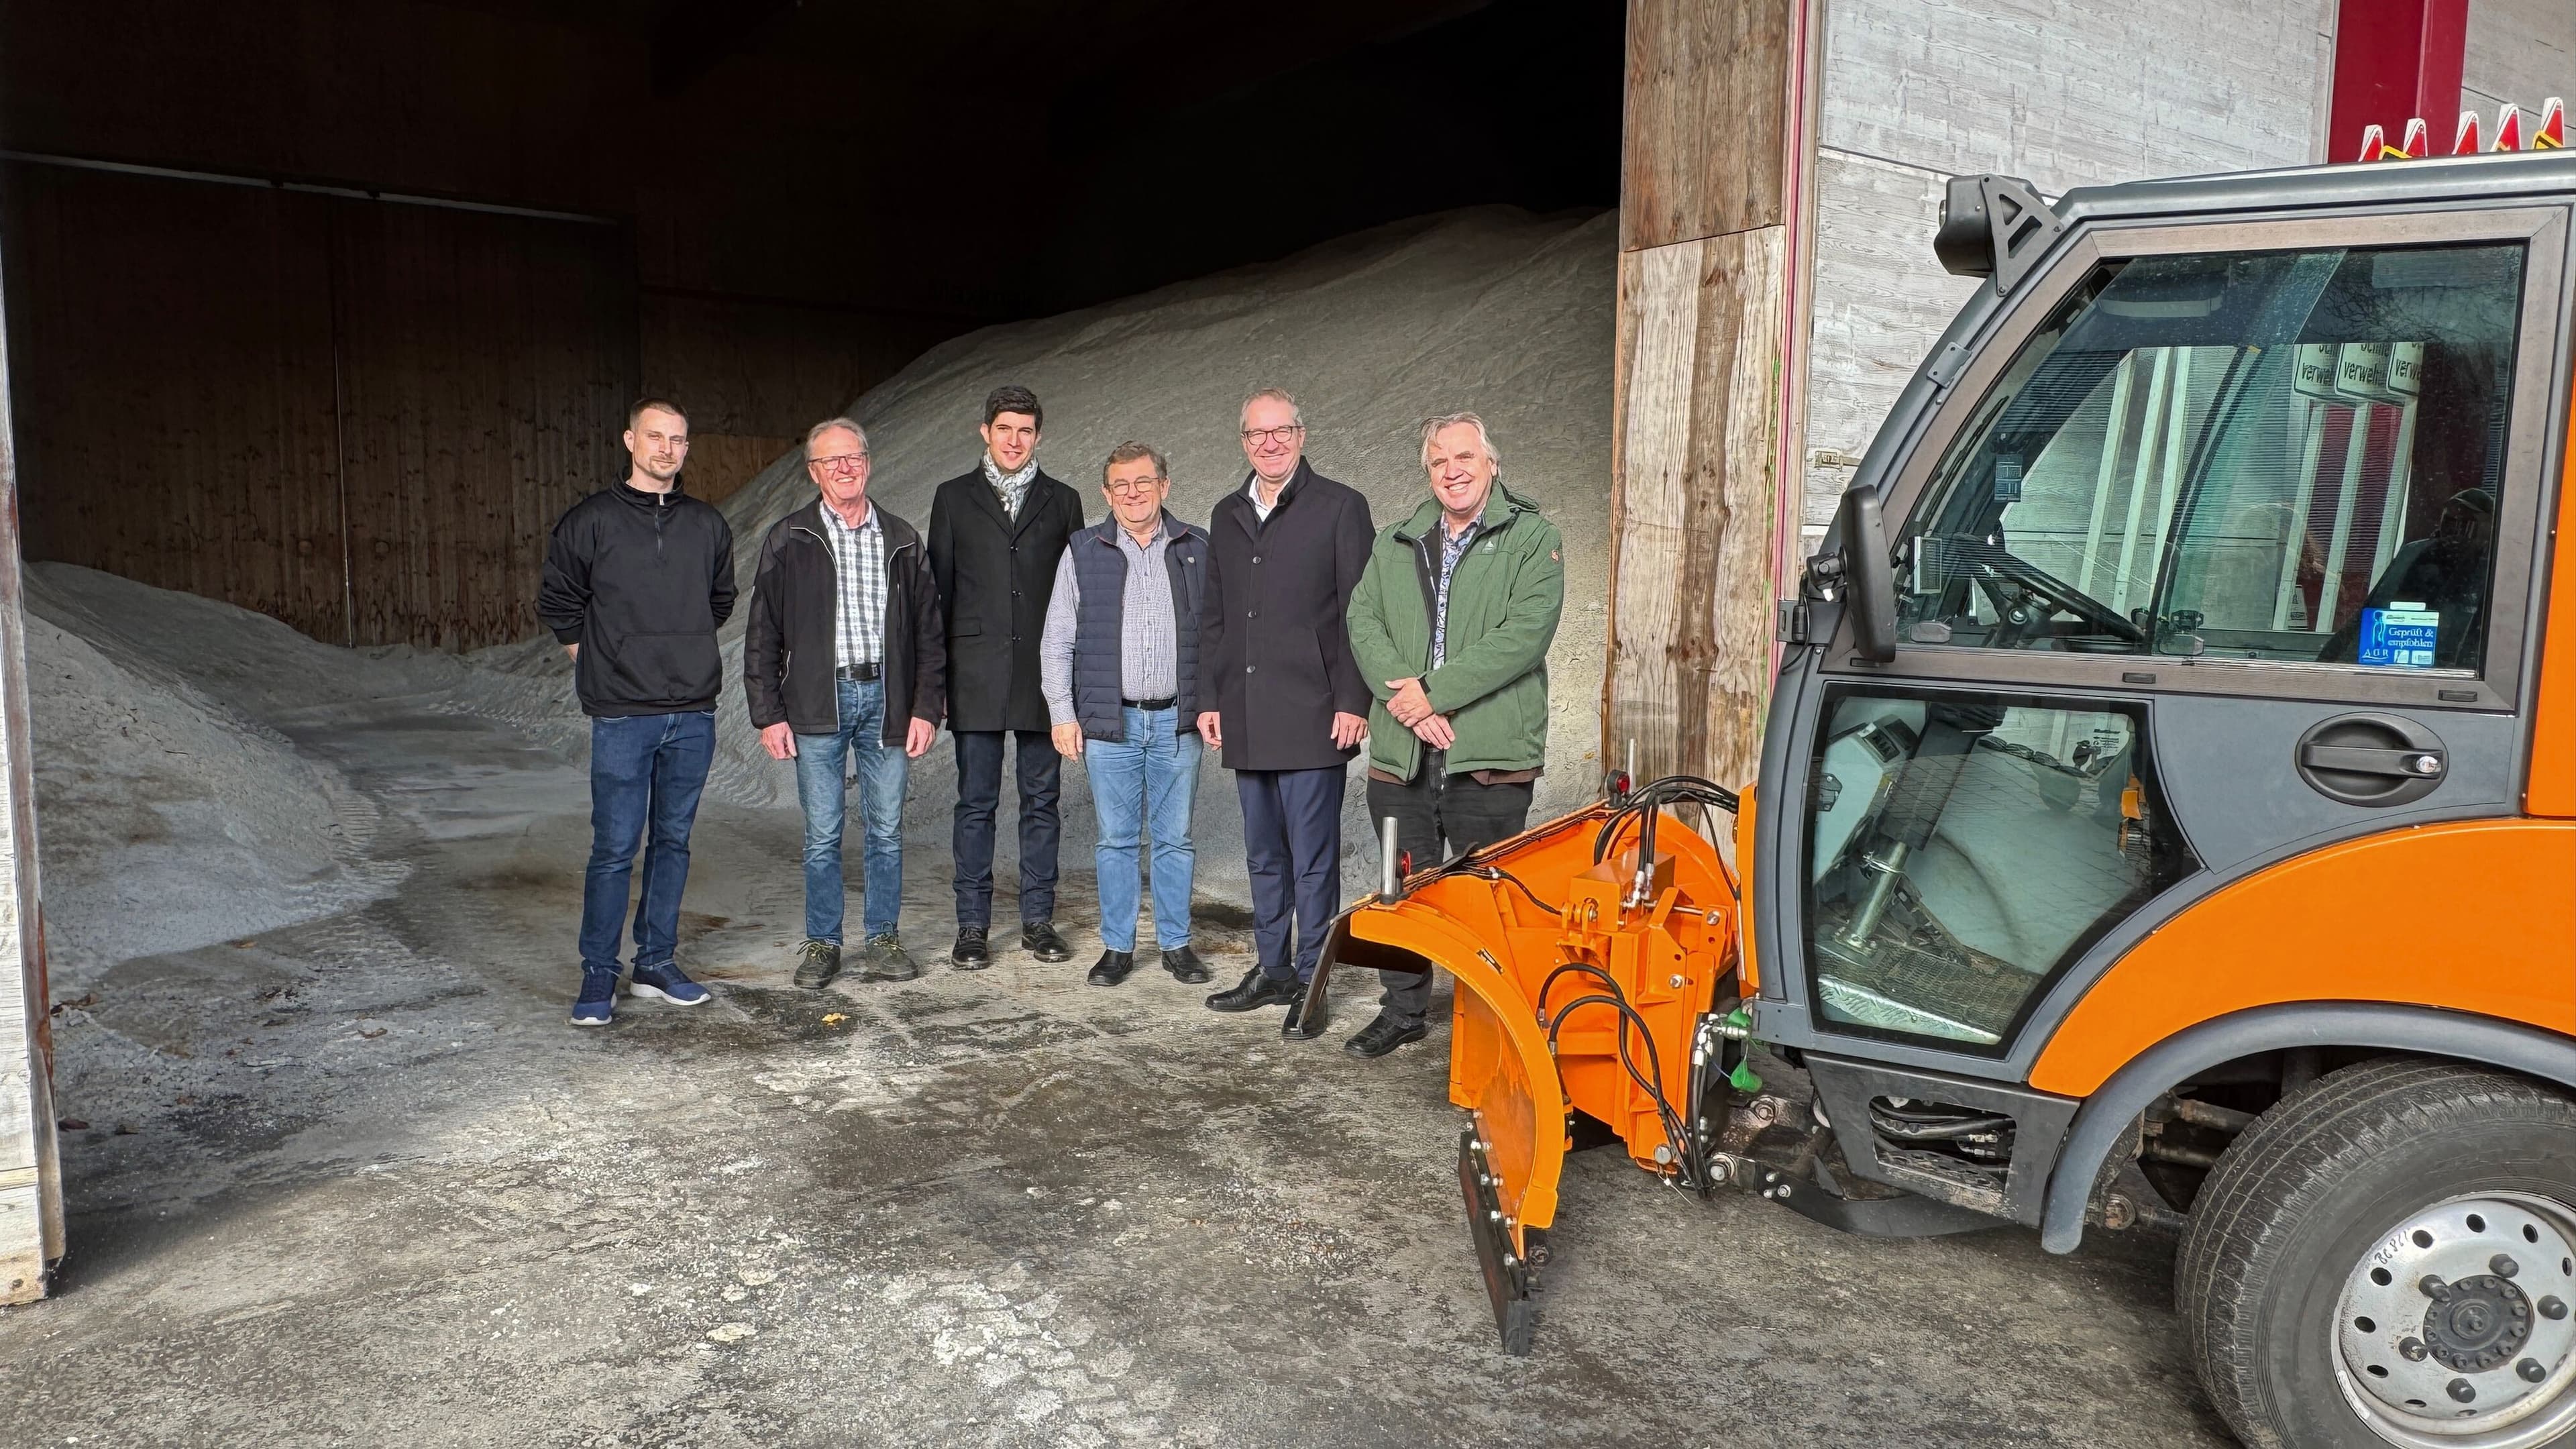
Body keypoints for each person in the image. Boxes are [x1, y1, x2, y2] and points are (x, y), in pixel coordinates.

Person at [1343, 412, 1563, 1057]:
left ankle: (1491, 1021)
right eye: (1439, 461)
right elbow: (1364, 623)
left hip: (1488, 756)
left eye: (1465, 457)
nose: (1453, 471)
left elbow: (1523, 637)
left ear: (1493, 464)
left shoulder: (1533, 537)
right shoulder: (1398, 540)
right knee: (1400, 889)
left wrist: (1432, 694)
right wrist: (1411, 706)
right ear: (1428, 472)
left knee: (1485, 898)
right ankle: (1403, 1010)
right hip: (1401, 755)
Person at [537, 398, 735, 1027]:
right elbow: (559, 601)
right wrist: (598, 658)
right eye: (655, 437)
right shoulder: (591, 521)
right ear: (630, 440)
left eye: (678, 439)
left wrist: (681, 651)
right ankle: (600, 971)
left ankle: (656, 962)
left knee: (673, 841)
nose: (667, 449)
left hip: (692, 712)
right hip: (623, 713)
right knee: (616, 847)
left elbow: (720, 601)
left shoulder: (707, 524)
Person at [1195, 388, 1373, 1036]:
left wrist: (1355, 700)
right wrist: (1208, 699)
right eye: (1256, 434)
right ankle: (1272, 969)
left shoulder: (1341, 508)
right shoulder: (1227, 512)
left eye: (1281, 431)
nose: (1269, 443)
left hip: (1315, 713)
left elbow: (1363, 613)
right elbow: (1213, 615)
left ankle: (1311, 979)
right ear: (1244, 442)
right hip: (1244, 711)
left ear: (1301, 435)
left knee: (1313, 858)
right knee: (1264, 854)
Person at [744, 418, 945, 988]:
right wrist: (768, 713)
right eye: (831, 461)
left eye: (853, 457)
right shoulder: (790, 539)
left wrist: (927, 706)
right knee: (823, 833)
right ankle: (823, 944)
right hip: (816, 701)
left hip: (888, 699)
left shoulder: (902, 538)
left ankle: (883, 937)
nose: (845, 468)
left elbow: (930, 633)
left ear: (868, 462)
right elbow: (763, 633)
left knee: (885, 829)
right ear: (814, 471)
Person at [1040, 443, 1214, 988]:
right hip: (1108, 724)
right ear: (1106, 494)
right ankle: (1117, 947)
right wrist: (1062, 713)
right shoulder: (1082, 550)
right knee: (1116, 839)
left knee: (1174, 839)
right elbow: (1056, 641)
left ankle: (1176, 945)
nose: (1133, 493)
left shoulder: (1197, 548)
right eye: (1122, 485)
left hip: (1176, 721)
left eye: (1144, 482)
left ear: (1165, 485)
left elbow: (1219, 637)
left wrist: (1216, 704)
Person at [929, 386, 1085, 970]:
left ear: (1037, 436)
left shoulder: (1064, 500)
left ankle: (1038, 922)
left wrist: (1071, 681)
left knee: (1042, 801)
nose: (1014, 440)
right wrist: (937, 679)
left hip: (1045, 675)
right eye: (1004, 429)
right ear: (985, 432)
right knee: (975, 803)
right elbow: (939, 592)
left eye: (1025, 431)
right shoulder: (952, 498)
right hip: (973, 674)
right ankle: (972, 927)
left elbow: (1075, 597)